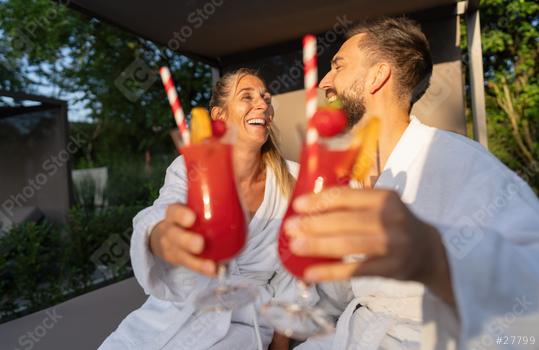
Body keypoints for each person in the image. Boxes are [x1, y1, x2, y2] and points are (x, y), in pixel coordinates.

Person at [286, 17, 539, 349]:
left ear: (378, 75)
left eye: (338, 66)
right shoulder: (349, 175)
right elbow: (346, 292)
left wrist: (435, 255)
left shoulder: (458, 162)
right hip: (353, 332)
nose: (324, 82)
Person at [99, 68, 306, 350]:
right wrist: (161, 236)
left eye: (266, 98)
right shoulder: (191, 168)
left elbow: (294, 271)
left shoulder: (295, 180)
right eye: (247, 96)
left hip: (248, 321)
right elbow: (164, 210)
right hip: (178, 306)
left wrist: (281, 341)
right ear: (219, 115)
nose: (263, 105)